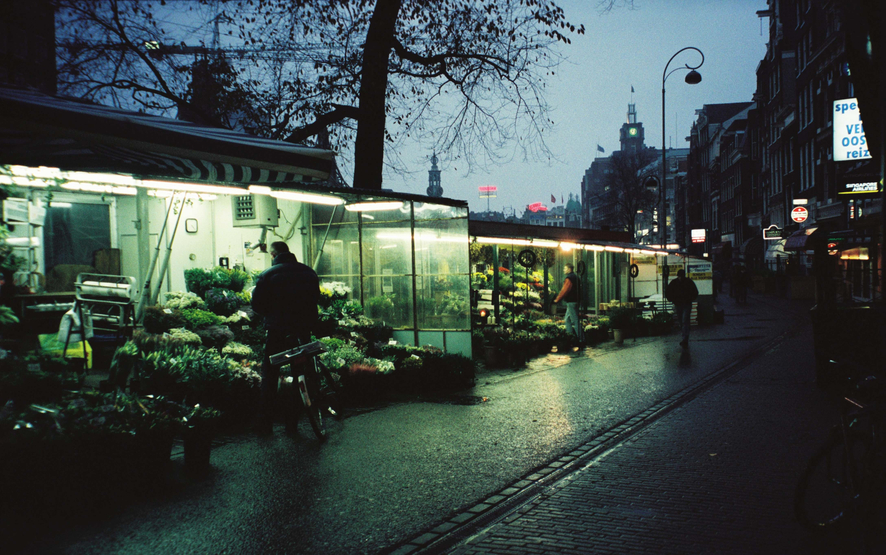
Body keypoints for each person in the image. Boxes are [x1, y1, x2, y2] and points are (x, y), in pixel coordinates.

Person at [251, 241, 320, 435]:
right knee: (300, 374)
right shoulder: (308, 273)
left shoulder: (268, 275)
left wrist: (271, 315)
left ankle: (265, 425)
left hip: (278, 332)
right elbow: (316, 298)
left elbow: (257, 304)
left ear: (273, 255)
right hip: (302, 333)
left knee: (271, 375)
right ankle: (293, 424)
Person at [666, 268, 699, 348]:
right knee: (684, 321)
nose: (680, 278)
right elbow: (695, 292)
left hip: (680, 304)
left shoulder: (674, 283)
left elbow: (668, 292)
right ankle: (685, 337)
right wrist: (690, 299)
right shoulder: (689, 282)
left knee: (683, 321)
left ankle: (684, 338)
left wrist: (672, 299)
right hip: (686, 304)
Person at [552, 263, 581, 341]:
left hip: (571, 302)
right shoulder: (576, 277)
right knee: (567, 319)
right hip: (575, 301)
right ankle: (569, 336)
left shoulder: (569, 278)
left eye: (565, 268)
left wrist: (557, 300)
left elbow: (564, 290)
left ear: (569, 269)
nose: (563, 270)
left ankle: (581, 339)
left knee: (575, 320)